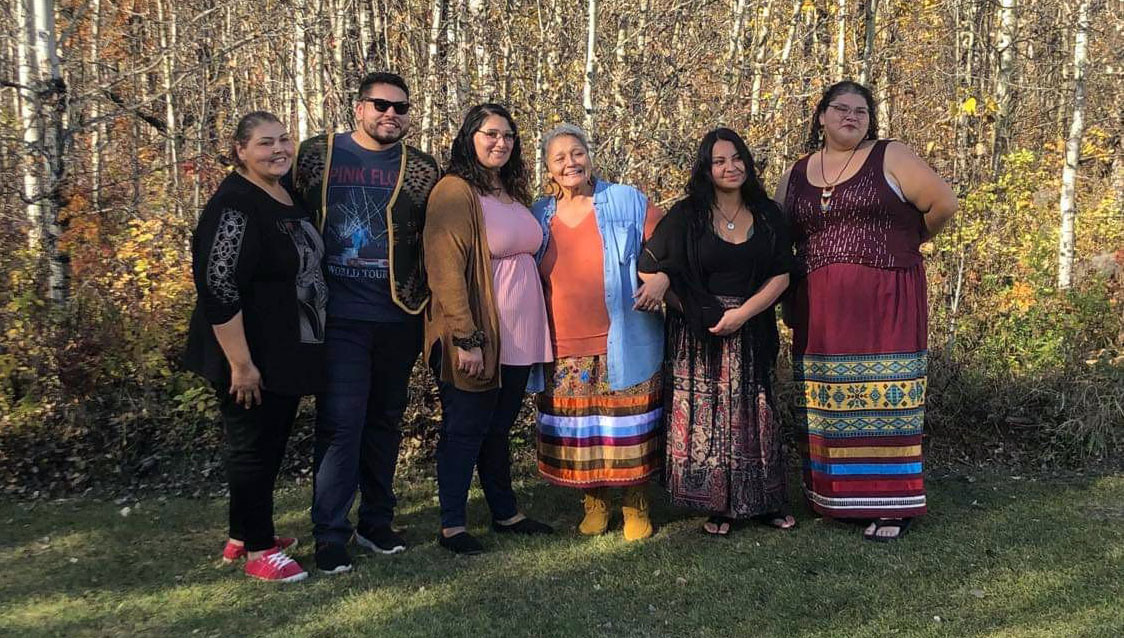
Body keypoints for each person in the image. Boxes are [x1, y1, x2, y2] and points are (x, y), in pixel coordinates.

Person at [775, 81, 957, 542]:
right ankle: (835, 498)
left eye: (861, 110)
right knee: (827, 397)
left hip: (885, 296)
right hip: (818, 302)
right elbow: (778, 234)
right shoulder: (796, 172)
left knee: (885, 391)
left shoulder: (890, 156)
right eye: (840, 108)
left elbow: (943, 203)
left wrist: (904, 243)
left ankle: (891, 504)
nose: (851, 117)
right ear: (821, 116)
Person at [289, 72, 440, 573]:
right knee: (340, 424)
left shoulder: (420, 168)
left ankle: (377, 521)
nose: (390, 114)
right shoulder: (315, 156)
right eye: (380, 104)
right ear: (359, 108)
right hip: (337, 316)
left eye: (401, 107)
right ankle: (330, 534)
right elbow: (282, 213)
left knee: (384, 421)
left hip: (399, 315)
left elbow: (433, 238)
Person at [185, 111, 327, 582]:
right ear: (241, 150)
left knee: (266, 446)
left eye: (284, 139)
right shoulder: (235, 204)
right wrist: (240, 364)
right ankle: (259, 552)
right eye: (265, 143)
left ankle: (244, 532)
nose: (279, 149)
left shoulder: (283, 193)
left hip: (282, 347)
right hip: (246, 352)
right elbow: (218, 284)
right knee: (252, 447)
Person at [639, 128, 795, 537]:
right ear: (706, 170)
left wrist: (743, 313)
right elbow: (647, 265)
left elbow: (783, 273)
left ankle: (766, 502)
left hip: (753, 324)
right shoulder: (687, 215)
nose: (731, 167)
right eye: (720, 161)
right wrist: (682, 304)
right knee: (708, 416)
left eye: (737, 157)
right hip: (700, 333)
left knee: (756, 413)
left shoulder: (768, 214)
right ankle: (718, 505)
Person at [424, 103, 554, 555]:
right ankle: (452, 525)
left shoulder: (510, 192)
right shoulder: (455, 191)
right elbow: (445, 270)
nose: (501, 143)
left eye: (508, 136)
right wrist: (466, 336)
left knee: (496, 428)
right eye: (490, 134)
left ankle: (505, 511)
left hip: (518, 336)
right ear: (470, 137)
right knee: (465, 427)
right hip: (478, 333)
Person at [532, 124, 666, 541]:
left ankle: (635, 504)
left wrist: (661, 279)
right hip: (562, 343)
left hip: (623, 339)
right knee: (580, 431)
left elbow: (669, 243)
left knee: (628, 429)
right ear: (549, 169)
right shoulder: (538, 215)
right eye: (559, 158)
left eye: (577, 153)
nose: (570, 163)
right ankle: (594, 503)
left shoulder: (627, 200)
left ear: (590, 157)